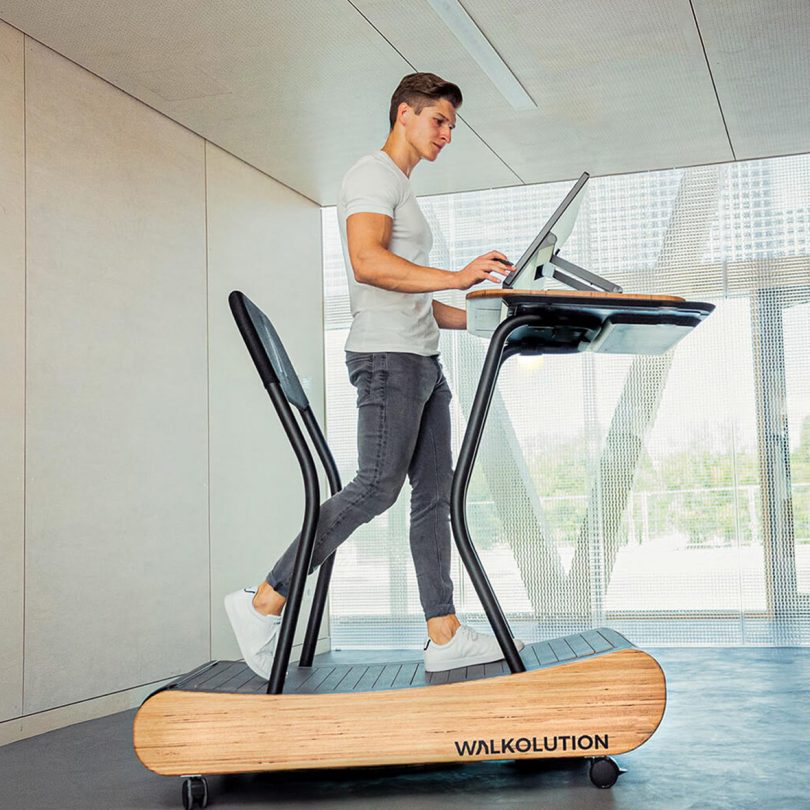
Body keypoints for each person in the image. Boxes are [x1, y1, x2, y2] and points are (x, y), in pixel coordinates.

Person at [225, 72, 522, 678]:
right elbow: (368, 264)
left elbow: (416, 297)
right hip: (388, 360)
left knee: (434, 496)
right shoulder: (371, 176)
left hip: (422, 358)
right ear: (404, 114)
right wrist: (456, 274)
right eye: (438, 120)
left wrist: (489, 316)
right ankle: (263, 602)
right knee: (376, 489)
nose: (446, 134)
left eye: (451, 126)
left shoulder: (404, 192)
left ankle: (443, 632)